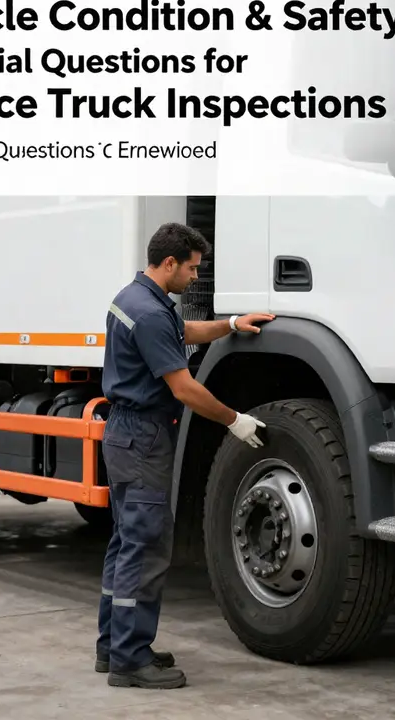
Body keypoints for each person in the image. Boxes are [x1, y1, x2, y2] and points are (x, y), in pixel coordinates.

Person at [95, 222, 275, 690]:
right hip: (144, 437)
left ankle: (112, 646)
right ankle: (130, 661)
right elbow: (184, 387)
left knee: (124, 544)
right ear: (170, 262)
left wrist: (231, 325)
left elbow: (184, 331)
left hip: (124, 434)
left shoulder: (135, 299)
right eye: (192, 269)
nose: (196, 277)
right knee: (146, 548)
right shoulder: (151, 313)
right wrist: (234, 419)